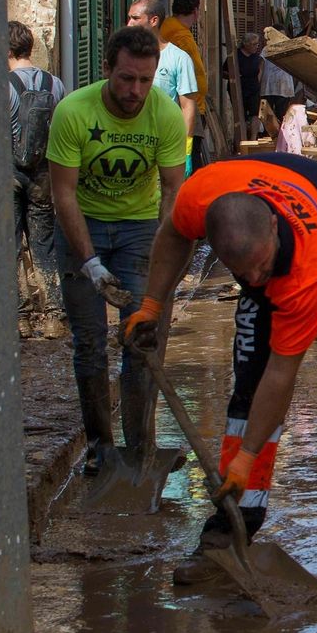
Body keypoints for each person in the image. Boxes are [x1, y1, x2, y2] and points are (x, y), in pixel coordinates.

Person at [122, 153, 317, 601]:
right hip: (295, 227)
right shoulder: (200, 195)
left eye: (259, 265)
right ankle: (230, 530)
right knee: (245, 391)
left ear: (273, 227)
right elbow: (174, 235)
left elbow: (283, 371)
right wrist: (152, 306)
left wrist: (247, 456)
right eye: (241, 271)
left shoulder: (307, 266)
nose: (253, 277)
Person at [47, 26, 187, 476]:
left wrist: (162, 263)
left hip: (139, 229)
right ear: (107, 69)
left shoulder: (163, 115)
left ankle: (140, 447)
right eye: (127, 79)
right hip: (81, 223)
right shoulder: (72, 112)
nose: (136, 91)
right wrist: (89, 263)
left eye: (145, 80)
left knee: (142, 339)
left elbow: (172, 192)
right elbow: (63, 194)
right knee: (88, 342)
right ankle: (101, 447)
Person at [9, 21, 70, 339]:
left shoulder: (1, 84)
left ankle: (19, 317)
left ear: (6, 50)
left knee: (11, 244)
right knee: (44, 243)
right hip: (44, 173)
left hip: (9, 172)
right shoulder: (55, 83)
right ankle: (54, 317)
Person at [127, 0, 198, 175]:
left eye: (135, 18)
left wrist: (185, 149)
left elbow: (187, 106)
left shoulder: (179, 59)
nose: (129, 24)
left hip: (163, 146)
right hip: (128, 144)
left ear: (154, 21)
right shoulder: (124, 57)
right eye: (129, 18)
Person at [161, 0, 209, 168]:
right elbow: (191, 71)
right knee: (191, 153)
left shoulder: (171, 28)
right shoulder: (180, 35)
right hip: (186, 101)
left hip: (185, 99)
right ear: (196, 11)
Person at [236, 32, 264, 140]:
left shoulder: (255, 57)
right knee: (241, 115)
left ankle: (253, 138)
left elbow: (260, 67)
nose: (256, 46)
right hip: (241, 89)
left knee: (255, 113)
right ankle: (241, 138)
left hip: (253, 88)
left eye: (257, 44)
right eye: (254, 44)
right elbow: (225, 72)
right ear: (246, 44)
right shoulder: (237, 56)